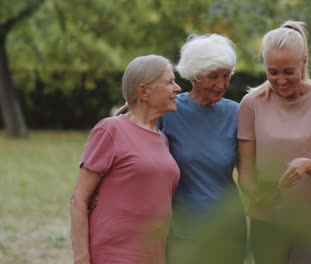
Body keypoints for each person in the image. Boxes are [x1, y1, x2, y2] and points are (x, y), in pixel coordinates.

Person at [237, 21, 311, 264]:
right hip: (267, 221)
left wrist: (307, 165)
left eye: (288, 71)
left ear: (304, 62)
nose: (281, 80)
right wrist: (257, 193)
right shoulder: (251, 104)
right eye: (272, 72)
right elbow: (245, 172)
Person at [70, 54, 182, 264]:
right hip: (114, 256)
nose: (177, 88)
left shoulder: (163, 140)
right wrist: (82, 259)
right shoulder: (110, 129)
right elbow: (79, 200)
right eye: (169, 82)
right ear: (143, 91)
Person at [158, 34, 246, 264]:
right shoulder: (169, 112)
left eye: (226, 76)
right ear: (194, 76)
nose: (221, 84)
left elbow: (249, 173)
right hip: (181, 230)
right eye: (213, 76)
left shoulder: (236, 113)